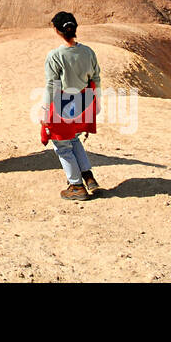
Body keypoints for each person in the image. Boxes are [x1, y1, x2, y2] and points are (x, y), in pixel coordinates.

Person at [42, 11, 100, 201]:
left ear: (57, 31)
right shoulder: (88, 52)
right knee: (73, 138)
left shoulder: (55, 56)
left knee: (62, 145)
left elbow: (52, 85)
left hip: (63, 102)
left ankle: (76, 186)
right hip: (83, 100)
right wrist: (96, 103)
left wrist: (44, 111)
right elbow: (96, 78)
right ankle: (88, 176)